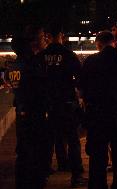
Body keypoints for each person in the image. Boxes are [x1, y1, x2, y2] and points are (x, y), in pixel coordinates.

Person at [78, 31, 117, 189]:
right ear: (115, 42)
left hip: (96, 115)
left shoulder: (90, 61)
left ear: (98, 44)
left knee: (97, 158)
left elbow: (81, 91)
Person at [38, 24, 87, 188]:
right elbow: (81, 78)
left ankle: (44, 173)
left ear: (47, 36)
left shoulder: (41, 56)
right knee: (73, 140)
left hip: (47, 104)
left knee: (47, 140)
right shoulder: (68, 54)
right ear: (60, 35)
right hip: (66, 102)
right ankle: (76, 175)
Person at [14, 24, 49, 189]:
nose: (45, 40)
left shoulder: (18, 63)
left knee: (24, 151)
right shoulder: (34, 63)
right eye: (43, 37)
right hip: (34, 112)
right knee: (35, 151)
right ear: (34, 41)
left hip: (23, 111)